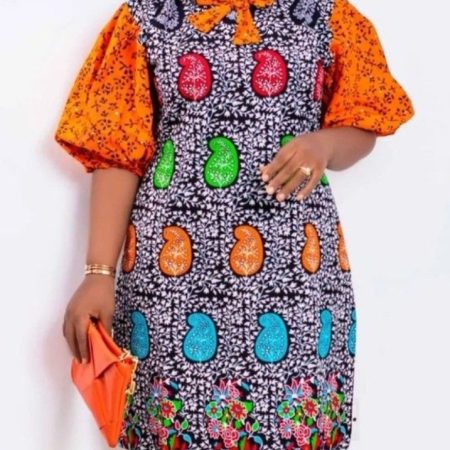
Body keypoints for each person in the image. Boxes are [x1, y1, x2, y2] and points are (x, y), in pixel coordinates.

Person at [54, 0, 414, 448]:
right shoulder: (147, 18)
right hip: (172, 274)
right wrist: (98, 274)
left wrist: (324, 144)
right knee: (172, 424)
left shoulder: (328, 16)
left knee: (292, 423)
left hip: (294, 265)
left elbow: (364, 123)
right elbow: (116, 150)